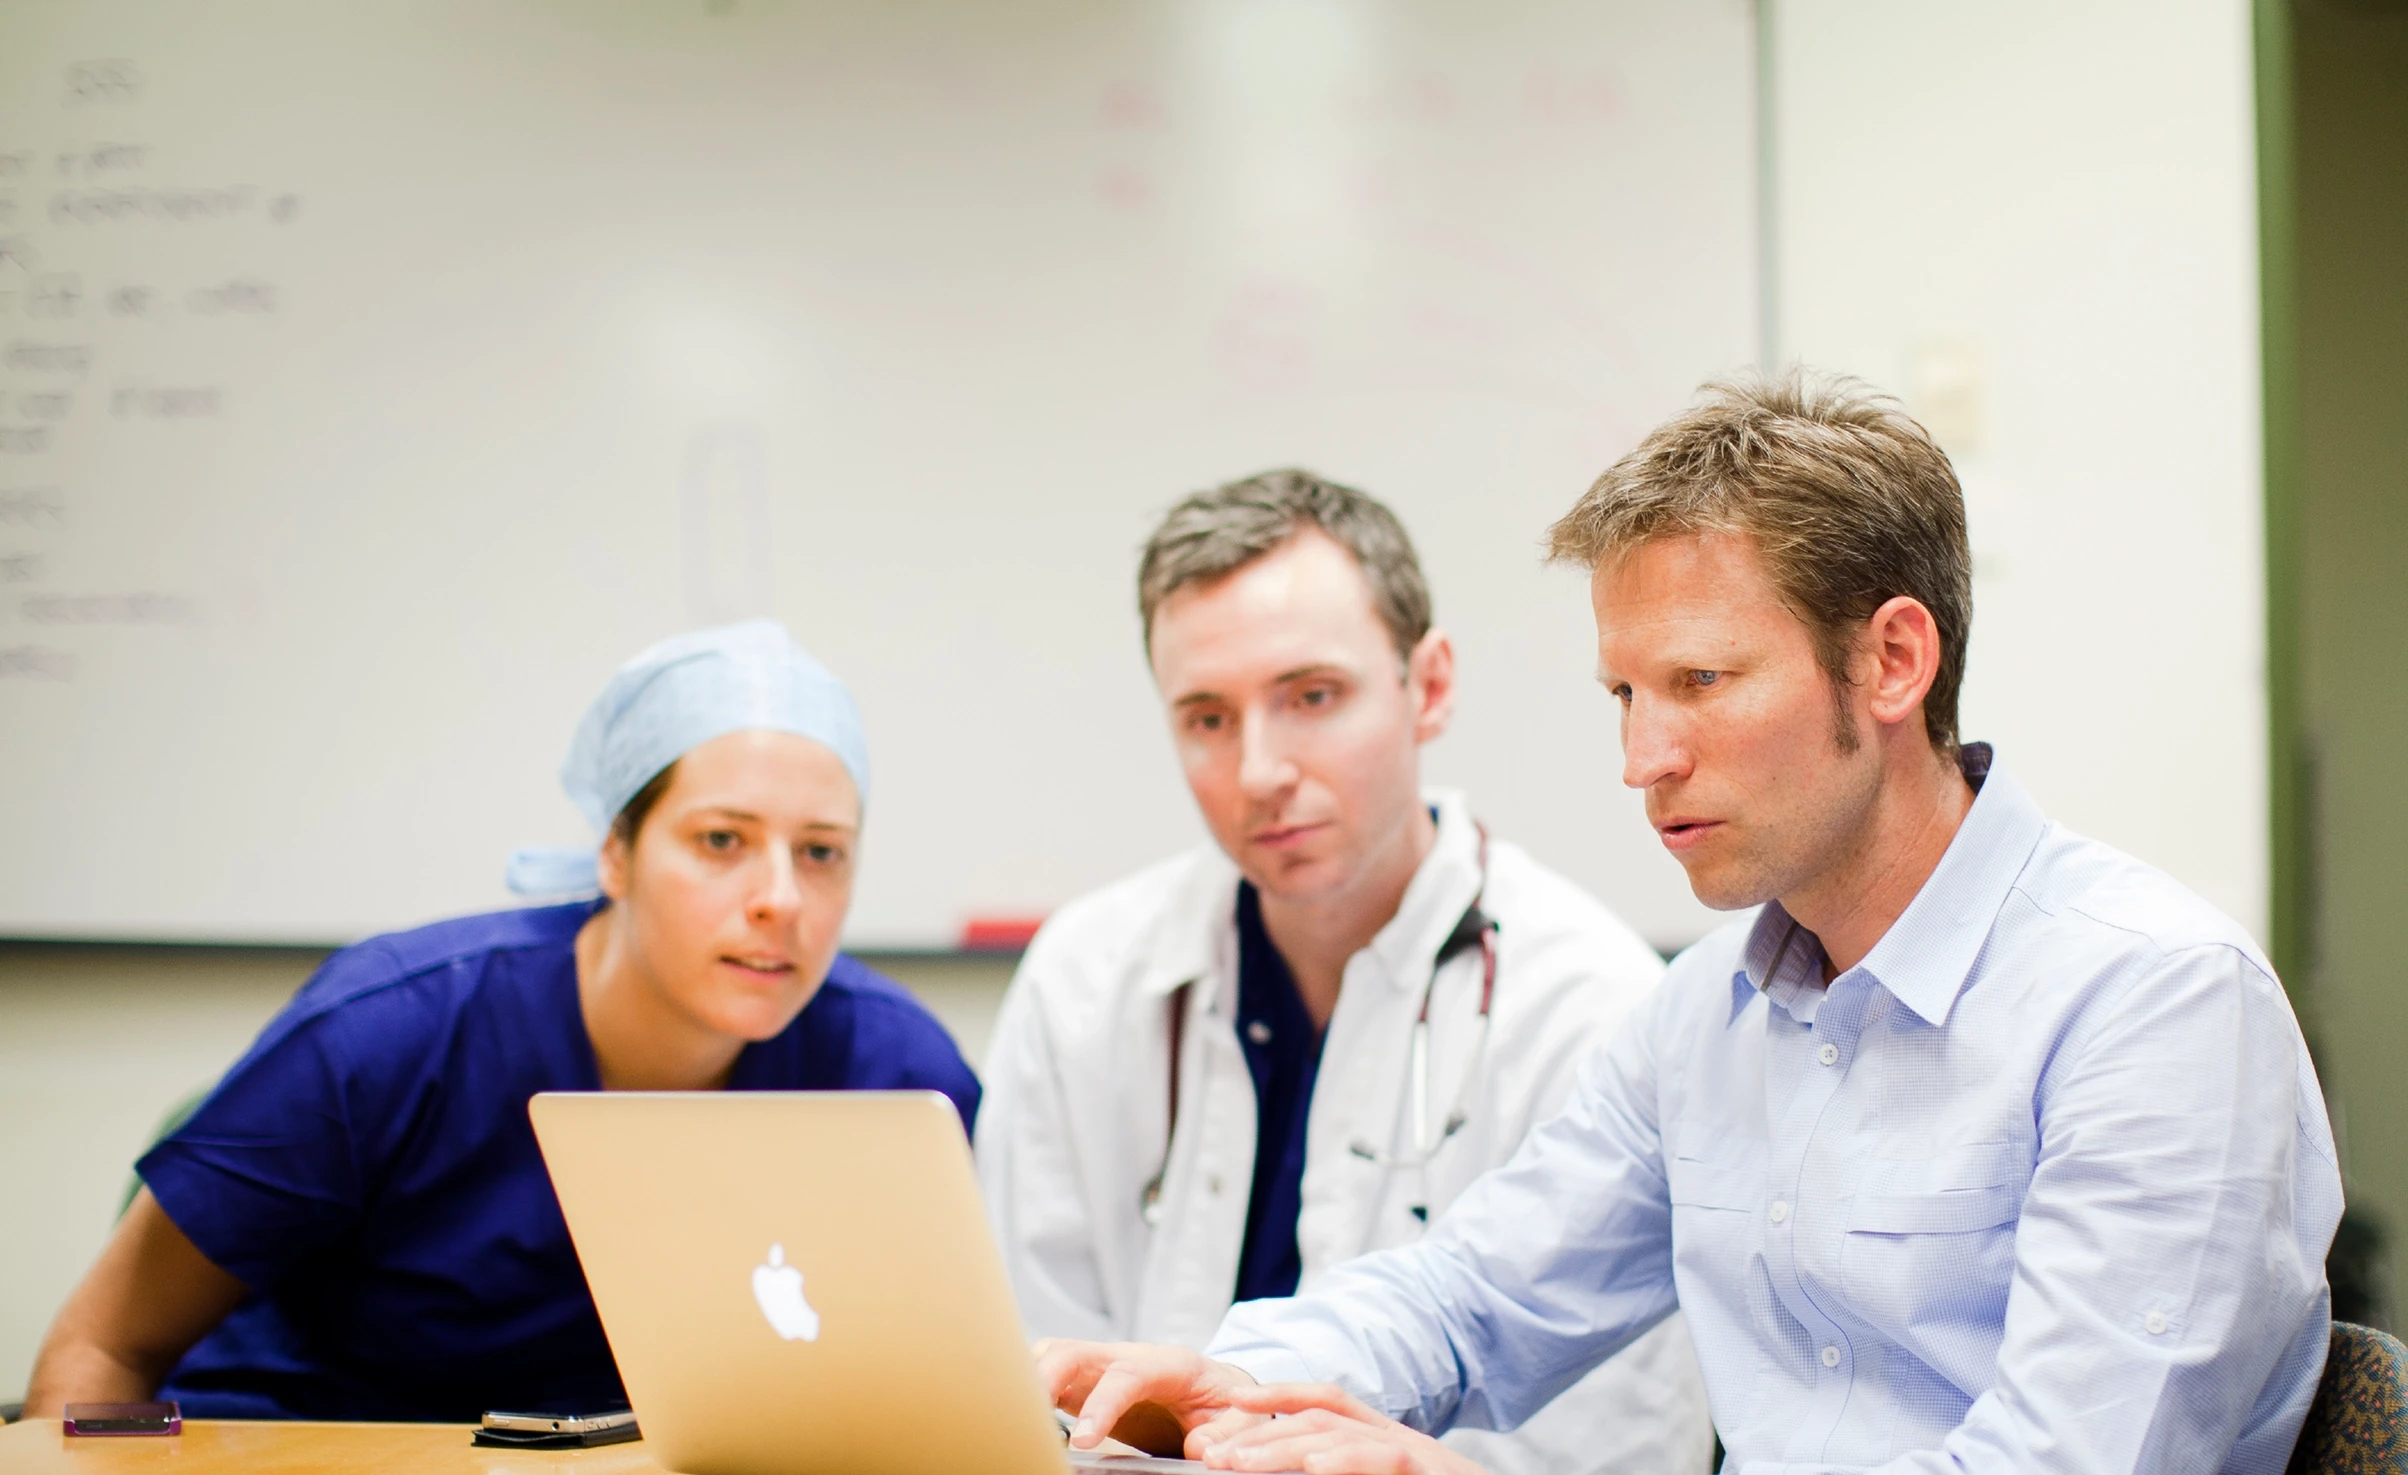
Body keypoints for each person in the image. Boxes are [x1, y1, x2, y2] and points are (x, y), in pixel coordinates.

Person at [1039, 376, 2344, 1475]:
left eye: (1700, 682)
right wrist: (1215, 1383)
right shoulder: (1706, 1014)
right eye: (1624, 690)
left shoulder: (2158, 1002)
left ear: (1893, 659)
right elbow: (1470, 1296)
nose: (1641, 756)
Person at [23, 620, 979, 1422]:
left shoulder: (895, 1078)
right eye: (721, 840)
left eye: (823, 852)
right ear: (615, 850)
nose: (781, 898)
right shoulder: (390, 1031)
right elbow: (104, 1346)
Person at [976, 470, 1712, 1474]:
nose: (1259, 770)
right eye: (1205, 717)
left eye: (1311, 696)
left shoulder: (1587, 1007)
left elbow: (1610, 1449)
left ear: (1430, 685)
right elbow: (1031, 1396)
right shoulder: (1083, 979)